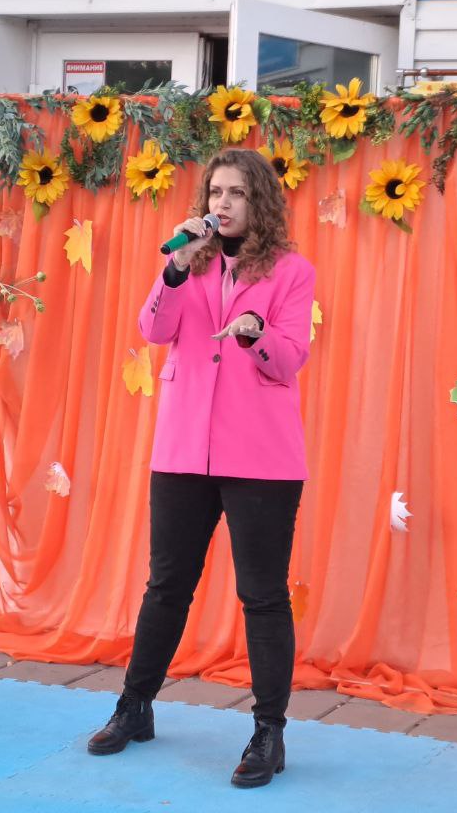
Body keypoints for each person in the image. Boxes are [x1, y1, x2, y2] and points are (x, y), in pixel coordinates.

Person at [87, 148, 315, 788]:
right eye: (215, 192)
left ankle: (268, 732)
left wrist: (255, 332)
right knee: (166, 585)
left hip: (262, 457)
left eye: (236, 193)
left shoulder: (292, 271)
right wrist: (175, 269)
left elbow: (289, 357)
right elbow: (153, 331)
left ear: (258, 201)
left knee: (263, 595)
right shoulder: (189, 262)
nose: (223, 203)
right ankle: (134, 706)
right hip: (184, 449)